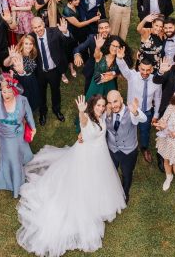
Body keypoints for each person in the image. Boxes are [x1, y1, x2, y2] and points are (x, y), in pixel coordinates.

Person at [16, 94, 126, 256]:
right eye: (98, 106)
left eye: (103, 105)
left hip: (99, 154)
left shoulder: (102, 114)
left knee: (100, 180)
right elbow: (84, 122)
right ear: (92, 106)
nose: (101, 108)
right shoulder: (87, 118)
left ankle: (99, 200)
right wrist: (82, 112)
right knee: (85, 181)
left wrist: (115, 104)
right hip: (87, 156)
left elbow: (114, 106)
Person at [0, 73, 36, 198]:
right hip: (3, 136)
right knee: (7, 157)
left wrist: (33, 128)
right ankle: (4, 179)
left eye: (9, 92)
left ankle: (17, 185)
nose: (6, 94)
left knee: (15, 158)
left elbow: (28, 115)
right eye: (4, 92)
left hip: (17, 134)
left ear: (15, 91)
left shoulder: (22, 100)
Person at [116, 46, 161, 163]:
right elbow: (125, 70)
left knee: (145, 131)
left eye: (148, 70)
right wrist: (120, 59)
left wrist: (156, 114)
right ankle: (125, 146)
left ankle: (144, 148)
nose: (145, 73)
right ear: (139, 68)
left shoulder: (156, 81)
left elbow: (158, 98)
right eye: (142, 69)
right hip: (131, 110)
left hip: (146, 112)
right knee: (128, 129)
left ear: (152, 70)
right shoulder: (132, 76)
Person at [105, 90, 147, 203]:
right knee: (112, 171)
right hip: (112, 149)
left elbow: (143, 119)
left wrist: (136, 112)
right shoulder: (107, 111)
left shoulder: (131, 111)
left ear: (121, 99)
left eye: (115, 101)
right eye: (110, 102)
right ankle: (113, 190)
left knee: (126, 174)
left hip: (128, 152)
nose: (113, 105)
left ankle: (125, 192)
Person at [31, 17, 71, 125]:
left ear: (43, 24)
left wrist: (65, 32)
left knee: (55, 91)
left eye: (39, 26)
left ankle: (56, 110)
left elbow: (68, 43)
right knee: (41, 93)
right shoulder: (31, 38)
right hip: (40, 72)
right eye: (35, 28)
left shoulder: (55, 32)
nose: (38, 29)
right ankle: (43, 113)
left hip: (54, 70)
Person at [62, 0, 101, 79]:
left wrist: (96, 12)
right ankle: (71, 67)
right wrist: (93, 19)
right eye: (75, 0)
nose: (78, 1)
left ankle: (86, 63)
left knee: (84, 46)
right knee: (71, 49)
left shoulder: (77, 5)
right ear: (70, 1)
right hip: (72, 33)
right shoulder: (67, 11)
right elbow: (78, 24)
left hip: (81, 32)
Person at [73, 20, 112, 94]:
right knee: (88, 89)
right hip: (92, 68)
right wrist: (77, 55)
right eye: (101, 28)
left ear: (110, 28)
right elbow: (78, 48)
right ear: (98, 29)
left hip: (108, 70)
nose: (104, 30)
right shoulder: (92, 38)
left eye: (106, 27)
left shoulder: (114, 40)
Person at [4, 37, 41, 112]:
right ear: (22, 44)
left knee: (30, 97)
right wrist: (10, 57)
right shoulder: (17, 54)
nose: (28, 46)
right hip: (18, 82)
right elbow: (5, 64)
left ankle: (29, 111)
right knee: (20, 100)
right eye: (26, 43)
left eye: (31, 44)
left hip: (30, 80)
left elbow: (31, 69)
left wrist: (22, 71)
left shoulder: (34, 54)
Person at [85, 35, 127, 101]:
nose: (115, 48)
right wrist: (98, 47)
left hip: (110, 84)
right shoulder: (101, 55)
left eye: (117, 46)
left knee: (110, 104)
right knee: (93, 104)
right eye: (113, 45)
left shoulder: (119, 58)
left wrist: (114, 75)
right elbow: (96, 55)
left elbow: (122, 74)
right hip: (97, 84)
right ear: (109, 45)